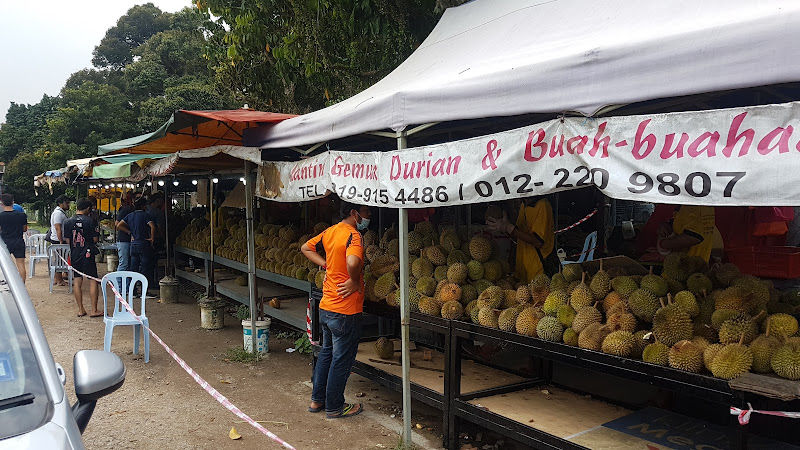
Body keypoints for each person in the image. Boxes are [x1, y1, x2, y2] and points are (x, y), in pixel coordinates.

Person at [301, 200, 370, 419]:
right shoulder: (354, 235)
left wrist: (325, 265)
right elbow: (352, 261)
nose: (369, 216)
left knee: (326, 354)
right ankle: (335, 406)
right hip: (345, 309)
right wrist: (354, 280)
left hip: (327, 305)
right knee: (341, 359)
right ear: (354, 213)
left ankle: (316, 401)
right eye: (366, 212)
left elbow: (306, 248)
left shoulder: (331, 231)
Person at [486, 196, 555, 283]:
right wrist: (504, 228)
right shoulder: (524, 205)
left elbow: (538, 241)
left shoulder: (543, 205)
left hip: (539, 269)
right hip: (524, 270)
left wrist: (509, 227)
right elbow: (519, 235)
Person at [63, 198, 101, 317]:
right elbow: (95, 239)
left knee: (77, 281)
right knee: (93, 280)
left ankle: (81, 309)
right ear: (88, 208)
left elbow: (68, 239)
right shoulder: (91, 221)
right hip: (88, 254)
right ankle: (94, 310)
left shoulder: (68, 221)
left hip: (75, 254)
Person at [117, 197, 156, 287]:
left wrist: (129, 232)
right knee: (145, 268)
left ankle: (133, 291)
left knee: (133, 268)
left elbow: (119, 225)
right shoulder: (145, 215)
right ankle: (143, 290)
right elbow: (152, 226)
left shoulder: (130, 215)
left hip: (133, 245)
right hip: (143, 244)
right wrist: (152, 238)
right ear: (143, 206)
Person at [0, 194, 28, 281]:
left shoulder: (1, 216)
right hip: (18, 241)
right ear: (13, 202)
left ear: (2, 203)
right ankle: (22, 288)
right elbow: (24, 229)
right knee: (20, 264)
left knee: (4, 265)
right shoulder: (22, 215)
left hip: (5, 242)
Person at [48, 195, 71, 286]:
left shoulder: (60, 212)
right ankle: (59, 280)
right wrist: (61, 240)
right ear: (61, 203)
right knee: (59, 260)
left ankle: (58, 278)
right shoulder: (58, 213)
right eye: (67, 203)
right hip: (58, 240)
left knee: (60, 260)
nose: (68, 205)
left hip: (59, 239)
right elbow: (58, 228)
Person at [115, 192, 135, 272]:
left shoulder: (130, 209)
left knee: (127, 264)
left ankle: (126, 283)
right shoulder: (125, 209)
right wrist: (129, 232)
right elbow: (117, 224)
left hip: (127, 240)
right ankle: (119, 284)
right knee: (124, 263)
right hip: (124, 240)